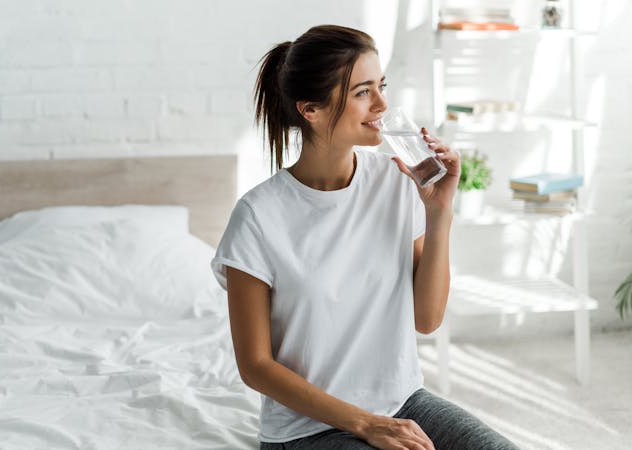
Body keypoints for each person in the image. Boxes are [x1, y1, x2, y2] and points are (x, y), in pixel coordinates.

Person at [209, 25, 520, 450]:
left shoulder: (396, 182)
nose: (382, 104)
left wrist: (439, 211)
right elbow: (255, 365)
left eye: (381, 86)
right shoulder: (258, 217)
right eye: (362, 91)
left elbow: (426, 319)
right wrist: (364, 423)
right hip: (306, 430)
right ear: (311, 110)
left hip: (403, 403)